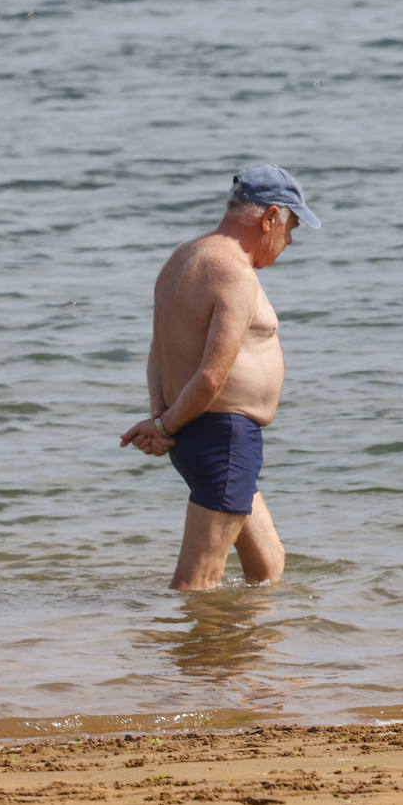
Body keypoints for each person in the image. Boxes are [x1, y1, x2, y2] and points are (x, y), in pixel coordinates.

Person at [120, 164, 320, 591]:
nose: (289, 241)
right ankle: (192, 658)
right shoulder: (234, 272)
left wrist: (163, 415)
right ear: (270, 218)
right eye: (292, 226)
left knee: (268, 567)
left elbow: (159, 349)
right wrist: (162, 425)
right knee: (196, 582)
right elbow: (212, 377)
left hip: (198, 434)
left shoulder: (182, 257)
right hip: (223, 438)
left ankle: (238, 655)